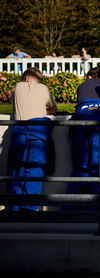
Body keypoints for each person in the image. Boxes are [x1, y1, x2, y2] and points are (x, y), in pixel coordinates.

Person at [7, 67, 57, 211]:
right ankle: (30, 207)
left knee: (18, 169)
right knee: (35, 169)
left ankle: (15, 206)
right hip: (38, 132)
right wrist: (42, 111)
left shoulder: (17, 86)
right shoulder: (45, 88)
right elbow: (54, 109)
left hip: (20, 132)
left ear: (26, 78)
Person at [66, 67, 100, 199]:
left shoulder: (81, 85)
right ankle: (95, 206)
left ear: (89, 76)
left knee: (80, 165)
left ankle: (70, 205)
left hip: (81, 124)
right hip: (99, 126)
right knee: (97, 167)